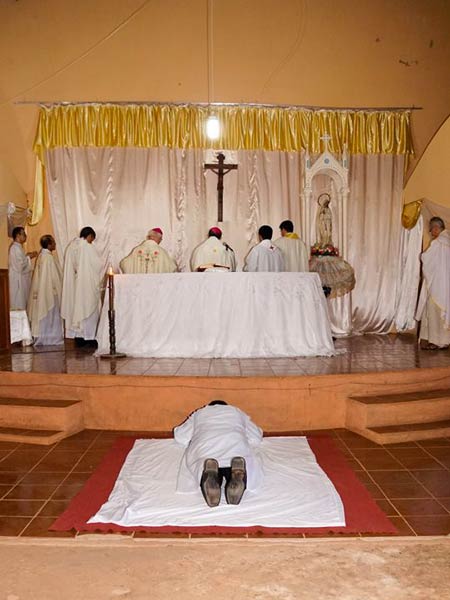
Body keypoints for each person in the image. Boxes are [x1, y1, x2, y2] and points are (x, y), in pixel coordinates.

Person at [173, 400, 263, 507]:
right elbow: (256, 437)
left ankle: (212, 478)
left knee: (204, 467)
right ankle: (235, 478)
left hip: (206, 450)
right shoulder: (238, 413)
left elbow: (181, 437)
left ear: (209, 406)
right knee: (234, 465)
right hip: (235, 447)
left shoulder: (199, 414)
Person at [61, 226, 102, 346]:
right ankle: (89, 337)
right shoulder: (87, 247)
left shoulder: (71, 246)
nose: (92, 241)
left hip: (74, 284)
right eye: (92, 239)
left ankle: (79, 338)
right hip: (86, 284)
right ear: (89, 236)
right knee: (88, 309)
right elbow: (97, 265)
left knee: (76, 308)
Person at [416, 217, 450, 350]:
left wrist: (421, 256)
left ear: (436, 228)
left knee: (434, 312)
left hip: (437, 285)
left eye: (431, 229)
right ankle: (445, 340)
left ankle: (437, 341)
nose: (431, 232)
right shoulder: (448, 241)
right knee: (443, 311)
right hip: (446, 284)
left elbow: (426, 259)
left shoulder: (437, 243)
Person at [27, 235, 64, 346]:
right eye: (53, 242)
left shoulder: (41, 256)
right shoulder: (48, 258)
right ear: (49, 244)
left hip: (43, 291)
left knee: (46, 315)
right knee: (51, 316)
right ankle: (51, 338)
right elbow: (53, 276)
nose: (55, 244)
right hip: (50, 292)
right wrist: (60, 285)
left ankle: (45, 337)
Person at [8, 226, 37, 310]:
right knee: (18, 302)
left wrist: (27, 256)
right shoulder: (14, 248)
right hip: (17, 281)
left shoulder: (18, 247)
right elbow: (20, 266)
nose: (25, 236)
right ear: (18, 235)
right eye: (23, 234)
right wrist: (29, 257)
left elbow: (21, 260)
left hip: (20, 280)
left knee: (23, 301)